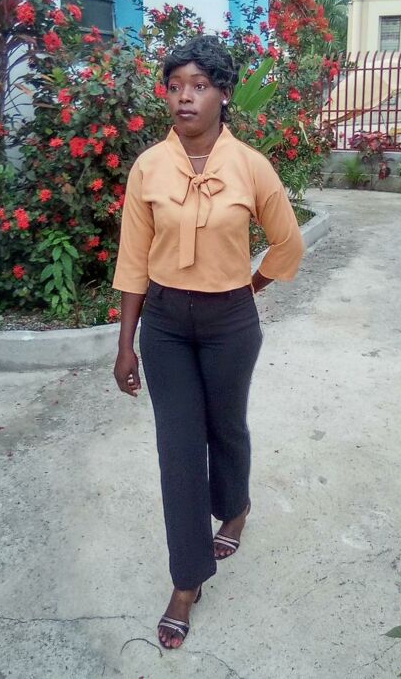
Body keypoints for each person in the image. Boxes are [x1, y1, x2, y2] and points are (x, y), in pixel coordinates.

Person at [112, 35, 305, 649]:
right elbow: (132, 259)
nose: (185, 97)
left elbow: (288, 241)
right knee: (177, 450)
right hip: (166, 324)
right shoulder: (149, 167)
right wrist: (126, 343)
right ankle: (186, 581)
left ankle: (236, 508)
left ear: (223, 94)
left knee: (226, 427)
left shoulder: (250, 165)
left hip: (230, 323)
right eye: (175, 86)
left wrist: (250, 286)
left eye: (198, 85)